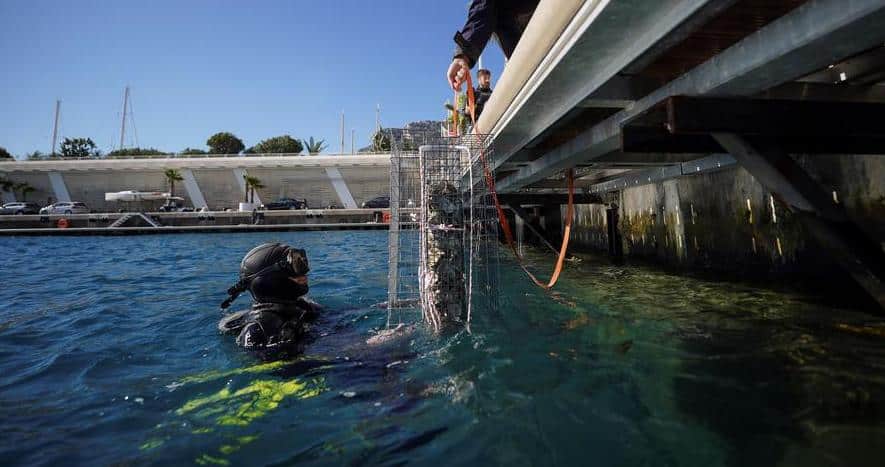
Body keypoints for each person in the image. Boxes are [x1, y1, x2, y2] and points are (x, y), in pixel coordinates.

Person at [218, 242, 319, 350]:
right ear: (268, 279)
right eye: (294, 265)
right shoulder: (257, 331)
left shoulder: (305, 307)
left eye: (302, 262)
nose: (304, 272)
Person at [447, 0, 540, 91]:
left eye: (488, 77)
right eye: (485, 77)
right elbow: (482, 12)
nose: (487, 80)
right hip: (525, 53)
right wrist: (463, 55)